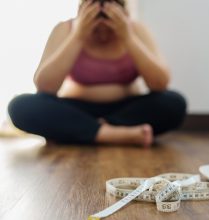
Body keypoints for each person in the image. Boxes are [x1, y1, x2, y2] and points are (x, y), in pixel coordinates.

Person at [7, 0, 187, 147]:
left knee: (174, 102)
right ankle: (111, 134)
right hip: (77, 109)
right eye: (96, 28)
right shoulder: (65, 29)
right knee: (20, 106)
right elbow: (45, 87)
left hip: (125, 111)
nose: (102, 36)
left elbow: (160, 84)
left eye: (108, 27)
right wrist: (78, 35)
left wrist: (127, 37)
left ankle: (83, 132)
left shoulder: (136, 30)